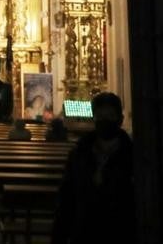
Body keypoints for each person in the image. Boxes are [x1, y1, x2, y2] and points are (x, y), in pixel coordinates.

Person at [50, 92, 134, 244]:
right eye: (100, 116)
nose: (105, 121)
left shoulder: (133, 156)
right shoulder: (79, 154)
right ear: (93, 118)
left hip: (120, 234)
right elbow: (67, 201)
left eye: (110, 115)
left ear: (120, 119)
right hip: (83, 234)